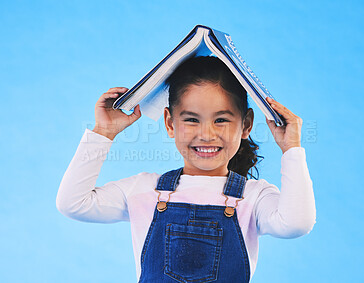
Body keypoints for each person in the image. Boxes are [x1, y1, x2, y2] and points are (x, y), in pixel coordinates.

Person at [56, 56, 316, 282]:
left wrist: (291, 148)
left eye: (221, 120)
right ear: (169, 123)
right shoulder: (144, 190)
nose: (206, 134)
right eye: (191, 119)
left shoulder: (255, 197)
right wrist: (104, 131)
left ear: (246, 124)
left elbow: (298, 224)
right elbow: (73, 203)